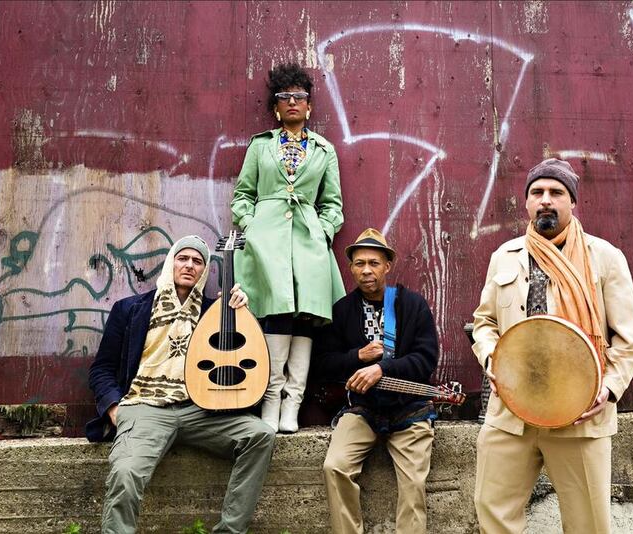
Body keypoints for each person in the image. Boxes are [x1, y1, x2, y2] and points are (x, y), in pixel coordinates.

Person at [471, 159, 633, 534]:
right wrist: (492, 358)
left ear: (572, 203)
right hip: (511, 409)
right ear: (527, 203)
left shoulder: (605, 258)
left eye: (556, 193)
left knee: (588, 524)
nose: (546, 200)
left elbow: (630, 342)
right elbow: (484, 323)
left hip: (579, 412)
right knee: (492, 511)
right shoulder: (505, 256)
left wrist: (608, 390)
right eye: (537, 193)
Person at [86, 235, 275, 534]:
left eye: (198, 261)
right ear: (170, 261)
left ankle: (229, 531)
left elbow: (245, 357)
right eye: (182, 258)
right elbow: (102, 369)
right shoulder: (130, 309)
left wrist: (241, 311)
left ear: (204, 271)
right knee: (125, 472)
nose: (189, 265)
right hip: (146, 406)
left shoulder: (218, 313)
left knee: (261, 435)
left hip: (200, 409)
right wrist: (114, 408)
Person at [231, 62, 344, 433]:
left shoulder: (325, 150)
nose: (293, 102)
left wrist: (323, 231)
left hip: (308, 243)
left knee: (305, 315)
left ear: (309, 106)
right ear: (275, 107)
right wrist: (254, 227)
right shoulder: (260, 146)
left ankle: (292, 403)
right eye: (285, 97)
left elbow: (333, 204)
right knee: (275, 312)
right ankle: (270, 399)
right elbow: (242, 196)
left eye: (300, 96)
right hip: (267, 243)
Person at [316, 228, 439, 534]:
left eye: (373, 262)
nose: (366, 270)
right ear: (351, 268)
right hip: (363, 410)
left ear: (387, 266)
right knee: (335, 467)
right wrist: (357, 357)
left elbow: (425, 360)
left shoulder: (412, 305)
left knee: (413, 484)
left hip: (410, 410)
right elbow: (324, 364)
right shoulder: (342, 311)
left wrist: (383, 368)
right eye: (359, 264)